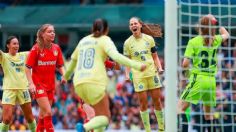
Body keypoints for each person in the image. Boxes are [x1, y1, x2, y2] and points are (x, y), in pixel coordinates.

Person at [64, 18, 146, 132]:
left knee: (98, 120)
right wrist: (135, 64)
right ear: (106, 30)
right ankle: (83, 128)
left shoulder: (85, 42)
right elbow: (117, 59)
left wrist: (66, 77)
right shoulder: (104, 41)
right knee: (95, 117)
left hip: (80, 83)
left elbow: (116, 67)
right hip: (94, 84)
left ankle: (85, 127)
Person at [177, 14, 230, 132]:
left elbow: (185, 64)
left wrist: (187, 75)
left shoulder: (193, 42)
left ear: (199, 26)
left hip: (198, 79)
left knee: (179, 108)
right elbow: (226, 34)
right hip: (211, 81)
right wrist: (217, 22)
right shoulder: (215, 39)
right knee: (209, 115)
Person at [123, 17, 165, 132]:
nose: (133, 25)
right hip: (138, 76)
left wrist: (160, 67)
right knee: (143, 103)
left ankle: (161, 128)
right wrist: (127, 74)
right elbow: (127, 61)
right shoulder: (127, 43)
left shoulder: (149, 39)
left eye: (135, 23)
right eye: (131, 24)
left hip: (152, 73)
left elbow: (155, 56)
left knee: (157, 101)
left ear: (140, 25)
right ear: (130, 27)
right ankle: (148, 130)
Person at [25, 24, 66, 132]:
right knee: (48, 112)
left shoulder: (56, 48)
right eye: (49, 31)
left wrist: (64, 75)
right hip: (38, 85)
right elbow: (27, 68)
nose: (52, 33)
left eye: (53, 31)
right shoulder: (36, 49)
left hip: (51, 86)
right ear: (42, 34)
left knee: (43, 115)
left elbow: (60, 65)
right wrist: (31, 84)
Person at [0, 36, 36, 132]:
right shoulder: (4, 57)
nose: (17, 46)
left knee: (30, 118)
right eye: (14, 43)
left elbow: (37, 50)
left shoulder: (24, 55)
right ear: (8, 45)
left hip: (23, 89)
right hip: (9, 90)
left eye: (18, 44)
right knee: (6, 119)